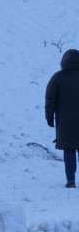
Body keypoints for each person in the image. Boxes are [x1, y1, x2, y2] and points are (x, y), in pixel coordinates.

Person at [45, 49, 79, 188]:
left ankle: (70, 180)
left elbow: (50, 99)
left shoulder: (57, 77)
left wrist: (49, 116)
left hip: (65, 122)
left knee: (69, 150)